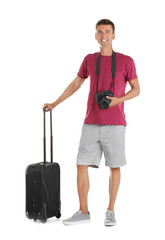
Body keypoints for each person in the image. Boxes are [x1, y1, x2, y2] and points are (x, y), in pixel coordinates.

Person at [42, 19, 140, 226]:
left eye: (107, 31)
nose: (103, 35)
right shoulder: (89, 59)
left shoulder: (126, 60)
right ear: (95, 36)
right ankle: (83, 212)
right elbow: (76, 83)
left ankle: (110, 211)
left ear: (114, 35)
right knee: (81, 165)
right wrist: (55, 103)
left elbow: (136, 89)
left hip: (116, 123)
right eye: (99, 32)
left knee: (114, 166)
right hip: (91, 122)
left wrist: (119, 100)